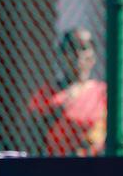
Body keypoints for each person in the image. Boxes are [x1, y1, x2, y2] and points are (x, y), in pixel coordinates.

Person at [27, 28, 107, 156]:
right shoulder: (47, 94)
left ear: (93, 56)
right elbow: (34, 136)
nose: (78, 54)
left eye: (84, 48)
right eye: (71, 48)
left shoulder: (103, 93)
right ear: (61, 55)